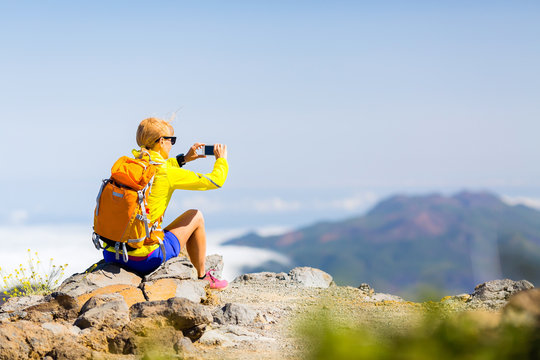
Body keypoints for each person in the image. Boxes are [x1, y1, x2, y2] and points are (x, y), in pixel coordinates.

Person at [102, 117, 229, 289]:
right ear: (161, 141)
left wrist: (183, 159)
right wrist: (221, 159)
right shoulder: (166, 172)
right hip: (144, 259)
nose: (172, 144)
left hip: (112, 253)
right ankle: (203, 278)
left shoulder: (130, 165)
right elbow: (215, 181)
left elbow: (158, 163)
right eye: (172, 140)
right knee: (196, 216)